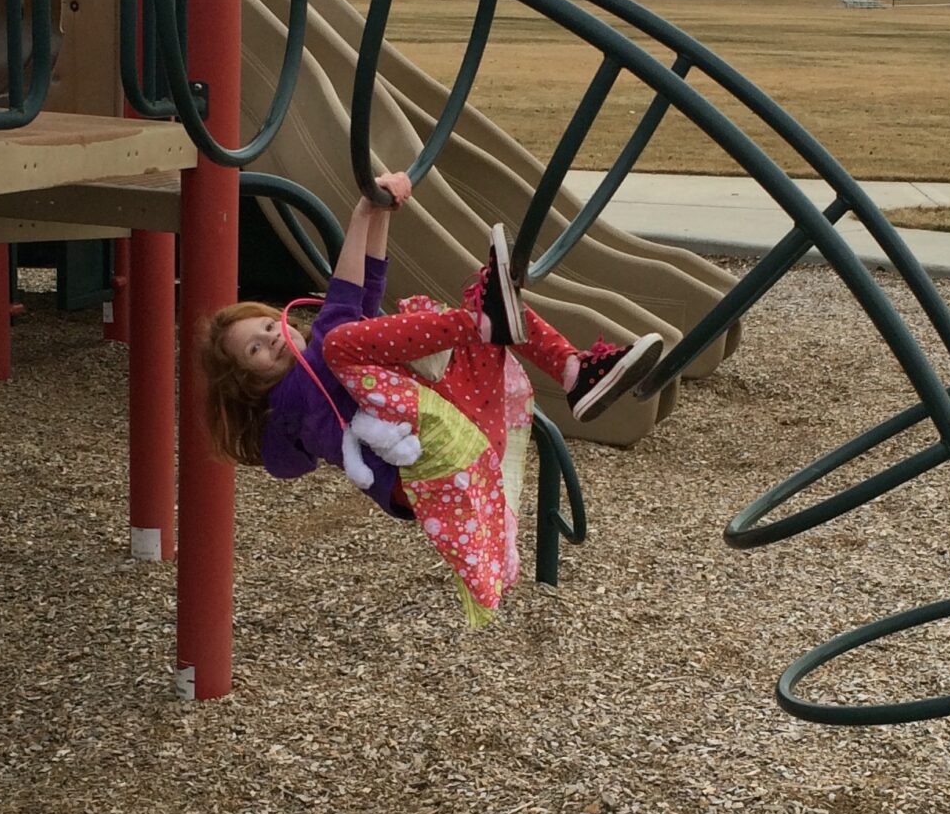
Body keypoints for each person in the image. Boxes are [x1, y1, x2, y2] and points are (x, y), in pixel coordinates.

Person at [198, 180, 663, 619]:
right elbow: (341, 306)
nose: (271, 338)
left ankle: (573, 371)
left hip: (467, 431)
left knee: (490, 300)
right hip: (424, 471)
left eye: (266, 326)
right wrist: (364, 212)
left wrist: (381, 212)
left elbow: (367, 291)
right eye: (255, 350)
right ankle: (484, 322)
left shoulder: (334, 358)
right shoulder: (295, 399)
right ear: (249, 382)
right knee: (353, 338)